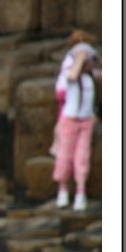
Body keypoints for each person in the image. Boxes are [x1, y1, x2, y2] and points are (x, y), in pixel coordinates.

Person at [52, 30, 100, 211]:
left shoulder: (90, 77)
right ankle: (63, 190)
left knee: (82, 157)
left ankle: (80, 192)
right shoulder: (71, 73)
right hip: (70, 120)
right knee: (65, 155)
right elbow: (71, 77)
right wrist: (79, 58)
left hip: (85, 121)